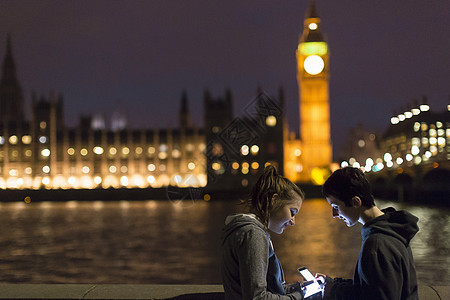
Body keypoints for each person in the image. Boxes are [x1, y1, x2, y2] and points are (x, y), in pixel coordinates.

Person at [320, 167, 419, 300]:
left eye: (336, 207)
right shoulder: (393, 231)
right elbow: (374, 286)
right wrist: (333, 283)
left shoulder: (377, 244)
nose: (334, 215)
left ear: (356, 202)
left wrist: (335, 291)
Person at [221, 165, 306, 300]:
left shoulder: (243, 229)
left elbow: (263, 288)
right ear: (274, 200)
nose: (293, 221)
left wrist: (297, 288)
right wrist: (297, 297)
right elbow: (257, 297)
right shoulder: (253, 234)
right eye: (292, 212)